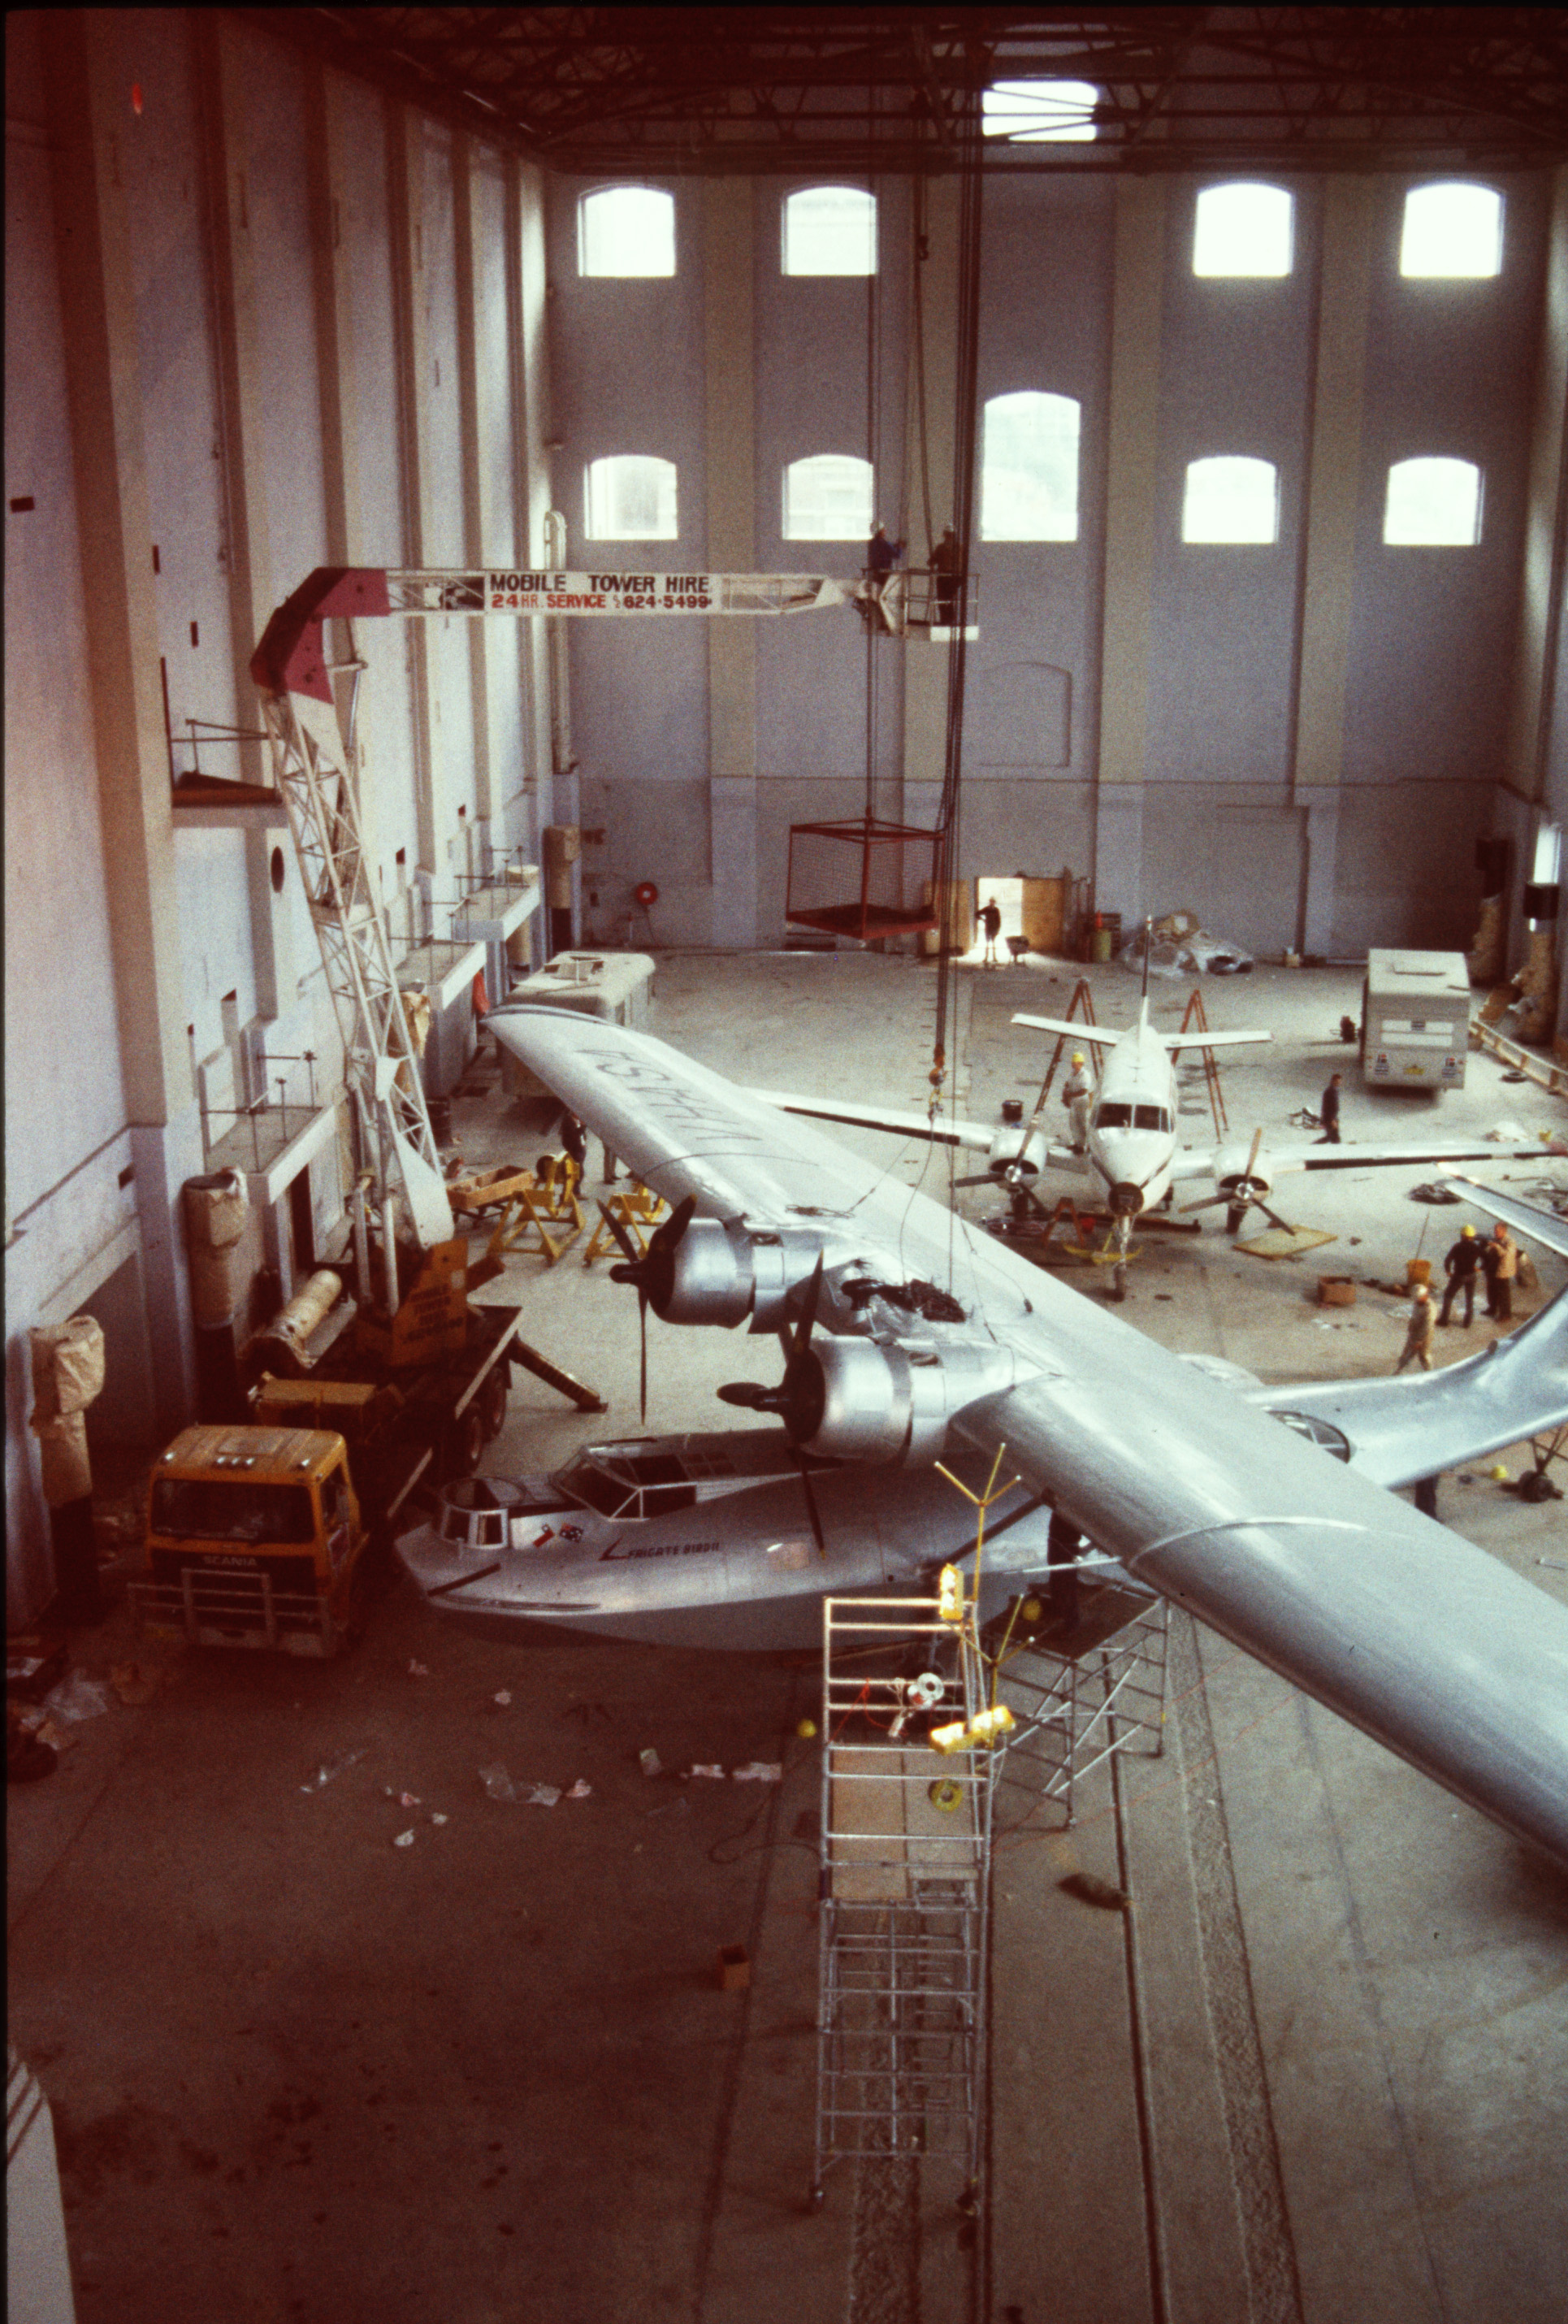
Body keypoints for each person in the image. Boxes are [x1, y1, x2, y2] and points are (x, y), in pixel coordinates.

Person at [1437, 1222, 1483, 1327]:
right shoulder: (1476, 1247)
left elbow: (1448, 1260)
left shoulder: (1457, 1246)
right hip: (1472, 1275)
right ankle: (1467, 1322)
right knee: (1469, 1299)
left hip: (1459, 1275)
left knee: (1448, 1296)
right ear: (1472, 1236)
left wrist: (1448, 1271)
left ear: (1462, 1235)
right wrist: (1480, 1268)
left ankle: (1444, 1320)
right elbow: (1487, 1258)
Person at [1482, 1220, 1518, 1321]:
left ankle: (1506, 1314)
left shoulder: (1510, 1242)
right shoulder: (1495, 1239)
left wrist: (1496, 1246)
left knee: (1503, 1294)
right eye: (1495, 1231)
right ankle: (1492, 1308)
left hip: (1503, 1271)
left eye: (1497, 1231)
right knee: (1491, 1290)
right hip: (1493, 1269)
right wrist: (1487, 1247)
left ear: (1504, 1231)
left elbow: (1506, 1255)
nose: (1495, 1233)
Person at [1396, 1284, 1436, 1372]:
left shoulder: (1430, 1307)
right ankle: (1399, 1371)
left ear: (1424, 1296)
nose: (1416, 1300)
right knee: (1407, 1353)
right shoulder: (1417, 1303)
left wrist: (1419, 1340)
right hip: (1414, 1332)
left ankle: (1430, 1373)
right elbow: (1414, 1316)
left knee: (1424, 1356)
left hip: (1424, 1335)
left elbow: (1428, 1325)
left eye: (1418, 1298)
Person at [929, 524, 961, 626]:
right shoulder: (960, 548)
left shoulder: (941, 548)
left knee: (942, 600)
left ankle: (945, 621)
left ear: (945, 535)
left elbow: (931, 562)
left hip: (943, 578)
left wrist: (933, 561)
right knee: (951, 599)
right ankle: (951, 620)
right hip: (955, 578)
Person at [1062, 1051, 1092, 1148]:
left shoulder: (1085, 1075)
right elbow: (1067, 1084)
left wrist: (1070, 1094)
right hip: (1074, 1101)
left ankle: (1083, 1145)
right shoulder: (1073, 1072)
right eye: (1072, 1063)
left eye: (1074, 1063)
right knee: (1073, 1122)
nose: (1072, 1065)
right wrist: (1065, 1096)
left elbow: (1084, 1091)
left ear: (1080, 1064)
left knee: (1081, 1123)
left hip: (1081, 1101)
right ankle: (1077, 1143)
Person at [1317, 1071, 1342, 1145]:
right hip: (1330, 1119)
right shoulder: (1330, 1091)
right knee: (1334, 1138)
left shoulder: (1333, 1090)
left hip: (1332, 1118)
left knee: (1331, 1137)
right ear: (1333, 1081)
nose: (1339, 1083)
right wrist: (1332, 1120)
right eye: (1337, 1081)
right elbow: (1328, 1107)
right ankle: (1313, 1146)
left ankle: (1314, 1145)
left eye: (1340, 1081)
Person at [980, 897, 1002, 967]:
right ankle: (986, 957)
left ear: (994, 903)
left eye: (993, 902)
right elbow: (977, 913)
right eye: (991, 902)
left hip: (994, 928)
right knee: (987, 943)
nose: (992, 903)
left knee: (993, 943)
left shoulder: (996, 910)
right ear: (990, 902)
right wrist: (982, 919)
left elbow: (998, 920)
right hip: (988, 928)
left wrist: (998, 928)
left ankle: (994, 957)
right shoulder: (986, 909)